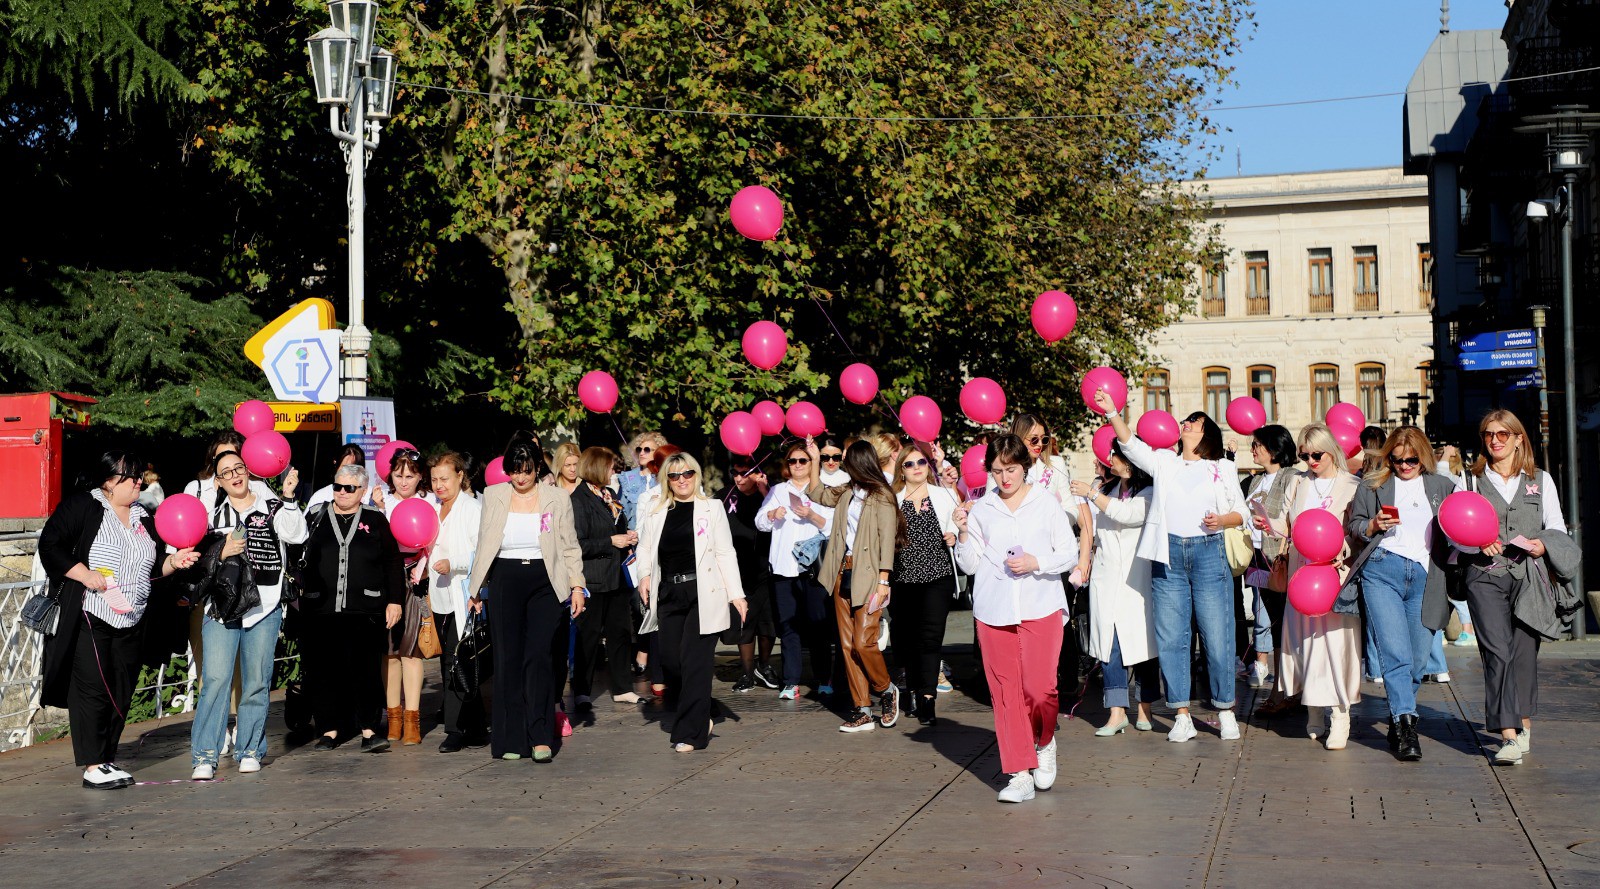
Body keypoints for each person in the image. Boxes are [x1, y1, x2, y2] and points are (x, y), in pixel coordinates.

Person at [39, 451, 200, 789]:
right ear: (109, 482)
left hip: (133, 616)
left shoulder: (145, 516)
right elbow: (50, 545)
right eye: (130, 476)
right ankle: (93, 764)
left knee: (121, 689)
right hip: (90, 612)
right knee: (93, 689)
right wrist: (83, 573)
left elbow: (155, 569)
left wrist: (175, 563)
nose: (138, 481)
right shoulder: (83, 506)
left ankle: (107, 758)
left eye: (138, 475)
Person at [1102, 392, 1248, 743]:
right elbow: (1131, 445)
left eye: (1193, 421)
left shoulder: (1221, 467)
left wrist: (1220, 521)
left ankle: (1225, 709)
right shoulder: (1164, 462)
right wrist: (1112, 412)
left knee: (1217, 634)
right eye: (1185, 421)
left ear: (1206, 432)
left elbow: (1240, 512)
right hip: (1168, 555)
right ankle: (1181, 713)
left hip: (1208, 551)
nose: (1185, 424)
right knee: (1172, 636)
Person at [953, 434, 1077, 803]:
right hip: (993, 610)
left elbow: (1068, 553)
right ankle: (1019, 772)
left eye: (1010, 469)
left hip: (1041, 605)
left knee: (1040, 690)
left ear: (1024, 466)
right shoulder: (983, 508)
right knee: (1006, 695)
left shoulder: (1046, 503)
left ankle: (1045, 740)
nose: (1004, 478)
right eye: (996, 471)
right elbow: (969, 563)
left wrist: (1037, 562)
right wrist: (962, 531)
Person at [1457, 410, 1571, 766]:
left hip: (1529, 575)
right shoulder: (1469, 481)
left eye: (1504, 434)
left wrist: (1543, 544)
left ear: (1519, 438)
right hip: (1484, 575)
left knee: (1523, 654)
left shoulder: (1541, 480)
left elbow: (1556, 527)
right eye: (1489, 434)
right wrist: (1475, 543)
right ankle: (1507, 733)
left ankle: (1523, 722)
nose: (1495, 441)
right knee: (1498, 651)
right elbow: (1453, 532)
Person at [185, 451, 306, 779]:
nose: (235, 475)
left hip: (264, 606)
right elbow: (196, 561)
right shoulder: (212, 515)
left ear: (248, 471)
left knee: (256, 681)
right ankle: (205, 755)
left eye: (238, 468)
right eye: (227, 472)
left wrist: (290, 496)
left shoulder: (271, 506)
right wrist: (221, 550)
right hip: (222, 608)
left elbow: (297, 535)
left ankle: (250, 748)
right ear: (219, 481)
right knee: (215, 679)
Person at [467, 433, 587, 762]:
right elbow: (484, 542)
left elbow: (569, 545)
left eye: (527, 470)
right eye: (514, 470)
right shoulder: (493, 495)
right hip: (506, 579)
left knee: (539, 657)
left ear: (537, 468)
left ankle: (540, 735)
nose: (520, 477)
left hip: (545, 581)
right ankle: (511, 738)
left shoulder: (556, 498)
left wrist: (577, 586)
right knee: (508, 659)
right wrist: (475, 588)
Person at [1345, 425, 1460, 761]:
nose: (1405, 466)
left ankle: (1399, 715)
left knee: (1418, 659)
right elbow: (1355, 526)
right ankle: (1406, 724)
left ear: (1422, 456)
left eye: (1411, 460)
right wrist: (1371, 526)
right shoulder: (1373, 485)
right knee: (1395, 652)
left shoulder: (1442, 486)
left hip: (1428, 575)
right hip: (1383, 570)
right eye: (1397, 460)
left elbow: (1459, 527)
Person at [636, 452, 749, 751]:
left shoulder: (711, 509)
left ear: (696, 475)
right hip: (669, 594)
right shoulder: (655, 509)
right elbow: (645, 548)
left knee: (695, 662)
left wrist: (736, 594)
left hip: (704, 592)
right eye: (674, 476)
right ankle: (705, 711)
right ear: (667, 480)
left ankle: (691, 733)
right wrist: (644, 577)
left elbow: (726, 552)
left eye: (687, 474)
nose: (681, 480)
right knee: (672, 663)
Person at [1260, 424, 1362, 751]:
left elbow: (1359, 530)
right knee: (1305, 643)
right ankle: (1313, 706)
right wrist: (1267, 523)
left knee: (1336, 646)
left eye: (1316, 454)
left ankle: (1340, 713)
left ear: (1331, 450)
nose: (1310, 461)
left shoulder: (1352, 486)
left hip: (1336, 575)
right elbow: (1284, 524)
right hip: (1302, 575)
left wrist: (1343, 548)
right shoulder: (1298, 482)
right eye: (1304, 455)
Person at [298, 463, 405, 751]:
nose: (342, 492)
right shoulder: (317, 516)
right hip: (321, 607)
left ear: (362, 491)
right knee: (324, 671)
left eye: (349, 488)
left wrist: (395, 600)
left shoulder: (375, 519)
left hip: (365, 608)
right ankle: (328, 729)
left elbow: (393, 561)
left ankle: (370, 729)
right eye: (337, 486)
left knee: (365, 670)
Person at [803, 437, 904, 732]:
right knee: (847, 646)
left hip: (870, 575)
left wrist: (884, 580)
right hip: (841, 572)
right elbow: (817, 493)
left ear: (859, 462)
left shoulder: (882, 495)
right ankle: (862, 709)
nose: (843, 464)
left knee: (863, 642)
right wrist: (813, 460)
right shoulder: (847, 491)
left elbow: (887, 540)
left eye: (847, 460)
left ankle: (886, 690)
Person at [1069, 440, 1159, 737]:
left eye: (1115, 455)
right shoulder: (1105, 490)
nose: (1109, 459)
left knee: (1143, 645)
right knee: (1110, 645)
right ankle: (1117, 711)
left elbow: (1127, 514)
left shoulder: (1149, 493)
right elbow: (1088, 528)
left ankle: (1145, 707)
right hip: (1106, 578)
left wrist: (1091, 493)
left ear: (1130, 463)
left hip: (1136, 579)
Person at [756, 441, 836, 699]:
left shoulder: (823, 490)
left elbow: (833, 527)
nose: (798, 465)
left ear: (812, 463)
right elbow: (760, 522)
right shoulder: (778, 490)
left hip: (813, 568)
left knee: (818, 625)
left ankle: (824, 677)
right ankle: (791, 681)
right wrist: (771, 515)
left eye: (803, 460)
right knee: (787, 625)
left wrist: (811, 515)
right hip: (783, 568)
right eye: (793, 461)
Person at [890, 440, 960, 726]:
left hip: (937, 577)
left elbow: (957, 517)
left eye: (921, 462)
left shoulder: (941, 495)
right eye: (910, 464)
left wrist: (953, 534)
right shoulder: (892, 499)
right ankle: (916, 690)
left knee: (931, 638)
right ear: (901, 470)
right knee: (907, 640)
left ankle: (928, 698)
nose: (917, 467)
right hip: (903, 578)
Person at [373, 448, 437, 746]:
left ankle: (413, 719)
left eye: (410, 476)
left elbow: (435, 540)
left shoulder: (429, 503)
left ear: (420, 476)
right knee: (389, 653)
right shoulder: (380, 505)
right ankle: (393, 717)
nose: (403, 481)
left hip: (417, 580)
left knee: (411, 651)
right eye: (398, 475)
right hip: (387, 582)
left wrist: (423, 568)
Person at [570, 446, 640, 709]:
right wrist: (611, 541)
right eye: (611, 467)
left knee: (620, 632)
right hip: (593, 578)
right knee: (588, 636)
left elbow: (617, 527)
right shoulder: (578, 500)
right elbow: (578, 543)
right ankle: (581, 690)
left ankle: (623, 687)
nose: (615, 471)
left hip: (617, 576)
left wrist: (627, 536)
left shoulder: (607, 495)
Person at [427, 452, 487, 752]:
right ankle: (477, 725)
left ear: (460, 476)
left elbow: (483, 552)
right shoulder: (430, 507)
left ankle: (455, 728)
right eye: (434, 479)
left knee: (456, 659)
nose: (439, 485)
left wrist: (455, 563)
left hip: (463, 594)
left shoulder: (472, 509)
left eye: (444, 479)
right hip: (438, 595)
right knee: (452, 660)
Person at [1243, 425, 1298, 702]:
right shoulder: (1255, 481)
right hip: (1256, 557)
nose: (1253, 449)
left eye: (1257, 445)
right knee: (1265, 615)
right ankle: (1279, 682)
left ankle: (1285, 684)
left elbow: (1289, 517)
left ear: (1275, 449)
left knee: (1280, 621)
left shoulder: (1291, 476)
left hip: (1278, 557)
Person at [717, 455, 780, 694]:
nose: (739, 478)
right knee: (744, 624)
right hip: (737, 568)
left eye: (745, 472)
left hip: (766, 567)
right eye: (735, 472)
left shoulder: (770, 494)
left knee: (767, 623)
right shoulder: (723, 496)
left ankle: (764, 666)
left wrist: (765, 490)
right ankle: (746, 671)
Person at [619, 431, 667, 531]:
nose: (641, 453)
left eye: (647, 450)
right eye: (639, 449)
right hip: (635, 539)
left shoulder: (667, 478)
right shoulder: (627, 478)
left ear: (658, 452)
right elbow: (623, 513)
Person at [307, 444, 374, 508]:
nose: (342, 492)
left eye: (353, 468)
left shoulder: (374, 496)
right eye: (345, 467)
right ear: (336, 465)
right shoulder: (321, 496)